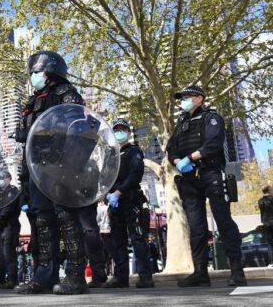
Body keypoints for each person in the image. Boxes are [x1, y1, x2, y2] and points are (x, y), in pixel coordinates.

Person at [14, 51, 95, 295]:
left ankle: (75, 275)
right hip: (38, 169)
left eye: (36, 72)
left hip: (61, 166)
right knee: (43, 222)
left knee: (66, 219)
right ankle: (44, 276)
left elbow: (79, 129)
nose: (33, 76)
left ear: (49, 72)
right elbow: (25, 138)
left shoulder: (66, 94)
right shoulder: (31, 101)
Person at [166, 85, 246, 287]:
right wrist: (177, 161)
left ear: (199, 98)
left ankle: (237, 271)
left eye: (187, 96)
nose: (183, 100)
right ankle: (200, 272)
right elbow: (171, 147)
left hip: (210, 174)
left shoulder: (211, 118)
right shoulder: (181, 122)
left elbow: (214, 143)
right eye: (181, 97)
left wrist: (191, 157)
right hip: (189, 178)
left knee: (223, 221)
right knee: (196, 228)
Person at [103, 119, 154, 288]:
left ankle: (145, 277)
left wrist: (119, 192)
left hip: (131, 200)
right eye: (116, 130)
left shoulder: (134, 151)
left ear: (129, 133)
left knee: (138, 239)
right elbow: (105, 177)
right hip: (115, 204)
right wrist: (106, 195)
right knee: (117, 241)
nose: (119, 133)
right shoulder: (111, 155)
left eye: (122, 130)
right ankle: (120, 277)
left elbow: (135, 175)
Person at [0, 172, 22, 289]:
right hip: (4, 227)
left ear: (8, 179)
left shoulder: (11, 192)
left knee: (8, 254)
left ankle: (12, 280)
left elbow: (7, 209)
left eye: (1, 178)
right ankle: (1, 279)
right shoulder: (2, 193)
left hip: (10, 226)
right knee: (3, 255)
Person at [258, 186, 273, 267]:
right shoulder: (272, 199)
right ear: (269, 191)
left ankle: (271, 262)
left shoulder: (260, 201)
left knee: (270, 243)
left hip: (266, 224)